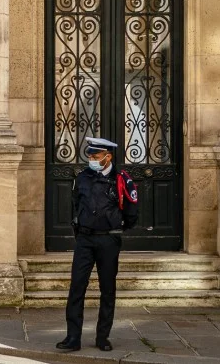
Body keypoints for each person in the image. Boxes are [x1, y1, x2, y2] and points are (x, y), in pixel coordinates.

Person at [57, 137, 138, 354]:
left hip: (108, 240)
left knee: (107, 289)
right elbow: (76, 203)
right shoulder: (82, 177)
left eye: (95, 156)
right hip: (84, 239)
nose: (91, 159)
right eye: (90, 156)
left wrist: (116, 227)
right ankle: (73, 337)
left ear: (107, 157)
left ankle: (103, 337)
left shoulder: (121, 179)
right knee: (76, 288)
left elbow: (131, 211)